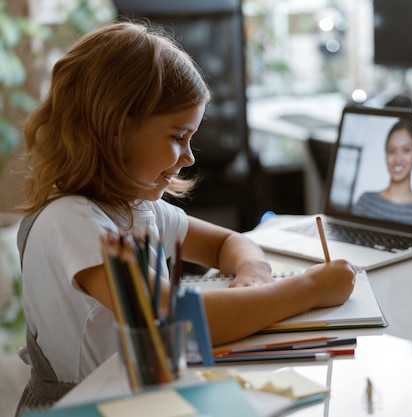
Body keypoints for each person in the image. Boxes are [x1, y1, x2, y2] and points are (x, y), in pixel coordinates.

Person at [14, 21, 356, 415]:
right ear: (114, 132)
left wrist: (253, 275)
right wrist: (310, 288)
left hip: (139, 399)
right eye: (178, 136)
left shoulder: (140, 208)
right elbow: (174, 320)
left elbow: (228, 242)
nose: (190, 156)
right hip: (86, 406)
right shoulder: (71, 222)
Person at [352, 118, 412, 228]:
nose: (397, 159)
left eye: (406, 150)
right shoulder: (366, 202)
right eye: (392, 151)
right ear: (386, 154)